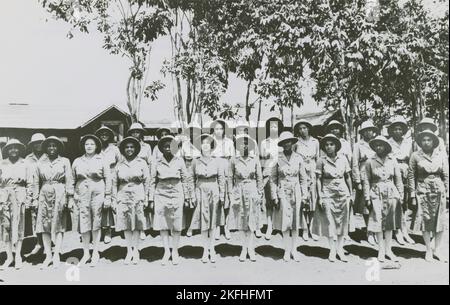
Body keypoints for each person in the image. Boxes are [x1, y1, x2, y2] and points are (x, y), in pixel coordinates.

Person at [32, 136, 74, 269]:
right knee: (44, 225)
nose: (51, 148)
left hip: (60, 192)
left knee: (59, 224)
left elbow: (69, 180)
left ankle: (56, 255)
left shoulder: (65, 161)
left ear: (58, 147)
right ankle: (48, 255)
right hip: (44, 193)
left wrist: (70, 198)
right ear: (45, 148)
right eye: (49, 146)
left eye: (54, 146)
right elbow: (36, 182)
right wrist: (35, 199)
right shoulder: (40, 163)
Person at [149, 135, 191, 266]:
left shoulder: (180, 161)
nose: (168, 148)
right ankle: (166, 251)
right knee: (163, 223)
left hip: (177, 191)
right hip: (161, 192)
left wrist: (187, 197)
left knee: (177, 222)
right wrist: (151, 199)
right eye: (165, 146)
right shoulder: (156, 162)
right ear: (161, 148)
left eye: (170, 146)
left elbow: (185, 179)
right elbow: (152, 181)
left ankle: (175, 251)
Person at [71, 135, 112, 266]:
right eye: (87, 144)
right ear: (83, 146)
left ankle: (95, 252)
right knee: (84, 223)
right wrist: (72, 197)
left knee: (96, 222)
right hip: (82, 194)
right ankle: (86, 253)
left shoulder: (102, 160)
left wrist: (108, 196)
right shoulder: (77, 161)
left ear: (96, 146)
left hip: (98, 193)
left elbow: (108, 179)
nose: (89, 146)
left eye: (92, 144)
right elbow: (72, 180)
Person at [409, 130, 449, 263]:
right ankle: (428, 250)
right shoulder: (415, 155)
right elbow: (411, 175)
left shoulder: (441, 155)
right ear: (420, 142)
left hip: (439, 190)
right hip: (423, 190)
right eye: (424, 140)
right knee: (425, 220)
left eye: (429, 140)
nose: (426, 142)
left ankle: (437, 249)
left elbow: (446, 174)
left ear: (433, 142)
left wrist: (447, 192)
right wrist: (412, 195)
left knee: (440, 221)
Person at [363, 136, 403, 262]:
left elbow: (398, 179)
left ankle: (389, 250)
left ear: (386, 146)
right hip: (376, 192)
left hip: (391, 192)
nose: (378, 147)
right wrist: (367, 197)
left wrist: (400, 195)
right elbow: (366, 180)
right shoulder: (370, 161)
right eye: (376, 145)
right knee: (378, 222)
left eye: (381, 145)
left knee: (390, 223)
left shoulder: (393, 160)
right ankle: (381, 250)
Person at [270, 132, 309, 262]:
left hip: (296, 190)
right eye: (284, 142)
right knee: (285, 223)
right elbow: (273, 179)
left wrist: (304, 196)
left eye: (289, 141)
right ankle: (286, 250)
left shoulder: (298, 158)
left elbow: (303, 179)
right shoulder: (277, 158)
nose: (287, 144)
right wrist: (274, 196)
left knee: (295, 222)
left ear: (292, 143)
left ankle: (294, 250)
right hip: (283, 191)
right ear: (281, 144)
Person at [313, 134, 352, 262]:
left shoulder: (343, 159)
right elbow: (318, 179)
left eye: (331, 144)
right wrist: (320, 196)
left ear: (336, 146)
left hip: (342, 191)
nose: (329, 147)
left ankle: (340, 249)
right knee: (329, 221)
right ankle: (332, 250)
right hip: (327, 191)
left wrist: (350, 194)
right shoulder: (321, 160)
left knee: (342, 221)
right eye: (326, 145)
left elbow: (347, 177)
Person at [112, 137, 150, 265]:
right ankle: (129, 250)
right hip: (123, 195)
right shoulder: (119, 164)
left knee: (137, 224)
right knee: (126, 224)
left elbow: (147, 181)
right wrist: (114, 199)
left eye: (132, 147)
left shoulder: (142, 162)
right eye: (127, 147)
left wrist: (146, 198)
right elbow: (114, 183)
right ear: (123, 149)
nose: (129, 149)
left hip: (138, 194)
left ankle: (136, 251)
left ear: (136, 149)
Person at [190, 134, 225, 263]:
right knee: (203, 222)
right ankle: (205, 250)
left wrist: (222, 194)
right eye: (203, 143)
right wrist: (192, 194)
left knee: (213, 221)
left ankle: (212, 248)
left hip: (213, 189)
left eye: (207, 143)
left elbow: (221, 178)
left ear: (211, 146)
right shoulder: (195, 161)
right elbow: (191, 178)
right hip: (200, 190)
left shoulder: (217, 161)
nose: (205, 145)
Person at [228, 135, 264, 262]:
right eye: (241, 144)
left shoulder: (254, 159)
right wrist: (231, 194)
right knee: (242, 220)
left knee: (252, 220)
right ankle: (244, 248)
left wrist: (260, 193)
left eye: (246, 143)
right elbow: (229, 178)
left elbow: (259, 177)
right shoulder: (234, 160)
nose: (244, 146)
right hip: (239, 190)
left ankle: (251, 248)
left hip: (252, 189)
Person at [0, 139, 33, 270]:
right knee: (6, 227)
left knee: (19, 227)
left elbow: (30, 183)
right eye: (11, 148)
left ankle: (18, 256)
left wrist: (29, 198)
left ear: (19, 149)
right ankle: (9, 257)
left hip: (20, 196)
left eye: (16, 147)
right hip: (5, 196)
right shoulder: (2, 164)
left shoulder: (26, 163)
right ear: (7, 150)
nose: (13, 150)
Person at [387, 117, 415, 245]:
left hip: (406, 173)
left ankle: (405, 231)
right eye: (395, 129)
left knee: (405, 204)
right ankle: (397, 231)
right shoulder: (388, 143)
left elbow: (412, 159)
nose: (398, 131)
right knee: (396, 202)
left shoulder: (408, 143)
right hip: (394, 173)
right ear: (391, 131)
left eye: (400, 129)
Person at [352, 121, 378, 245]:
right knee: (366, 206)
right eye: (366, 130)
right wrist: (357, 181)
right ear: (362, 132)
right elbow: (355, 163)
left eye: (371, 130)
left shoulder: (378, 143)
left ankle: (375, 230)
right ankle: (369, 231)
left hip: (376, 177)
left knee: (376, 203)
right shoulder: (358, 145)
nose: (369, 132)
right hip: (364, 177)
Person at [294, 119, 320, 241]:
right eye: (300, 128)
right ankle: (304, 228)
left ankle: (312, 228)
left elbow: (319, 159)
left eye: (304, 128)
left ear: (309, 128)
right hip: (301, 172)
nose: (302, 130)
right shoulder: (296, 143)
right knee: (303, 201)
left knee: (313, 201)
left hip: (313, 172)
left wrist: (318, 173)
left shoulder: (316, 142)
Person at [95, 125, 121, 245]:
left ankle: (109, 231)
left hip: (112, 177)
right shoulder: (96, 148)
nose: (104, 135)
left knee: (110, 203)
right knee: (100, 203)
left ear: (110, 136)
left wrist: (116, 175)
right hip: (99, 179)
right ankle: (98, 229)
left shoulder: (114, 149)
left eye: (106, 133)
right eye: (101, 134)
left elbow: (119, 163)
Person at [210, 119, 235, 241]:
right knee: (216, 200)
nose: (219, 131)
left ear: (224, 129)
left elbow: (232, 159)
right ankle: (216, 227)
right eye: (216, 129)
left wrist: (230, 174)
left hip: (226, 170)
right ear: (213, 130)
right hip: (214, 170)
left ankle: (226, 226)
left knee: (226, 200)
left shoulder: (229, 142)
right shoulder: (209, 141)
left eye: (221, 128)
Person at [260, 117, 283, 240]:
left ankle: (279, 226)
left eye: (275, 126)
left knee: (280, 200)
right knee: (269, 202)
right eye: (271, 126)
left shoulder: (283, 141)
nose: (273, 128)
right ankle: (269, 226)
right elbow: (262, 161)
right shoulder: (264, 143)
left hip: (282, 174)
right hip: (269, 173)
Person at [127, 122, 152, 241]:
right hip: (131, 176)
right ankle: (130, 227)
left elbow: (150, 162)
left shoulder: (146, 147)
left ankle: (142, 229)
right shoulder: (127, 145)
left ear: (141, 133)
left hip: (142, 176)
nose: (136, 134)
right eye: (133, 132)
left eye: (138, 132)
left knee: (141, 205)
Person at [23, 133, 46, 257]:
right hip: (32, 190)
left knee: (47, 217)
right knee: (35, 216)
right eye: (36, 143)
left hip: (46, 190)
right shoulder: (28, 159)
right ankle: (39, 242)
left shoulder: (49, 156)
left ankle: (48, 243)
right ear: (32, 145)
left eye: (41, 143)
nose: (39, 145)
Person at [178, 122, 202, 238]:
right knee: (187, 201)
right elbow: (181, 160)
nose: (193, 133)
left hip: (199, 175)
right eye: (191, 131)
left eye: (196, 131)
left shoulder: (202, 144)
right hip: (188, 175)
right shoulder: (184, 145)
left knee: (197, 201)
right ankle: (186, 226)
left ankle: (194, 227)